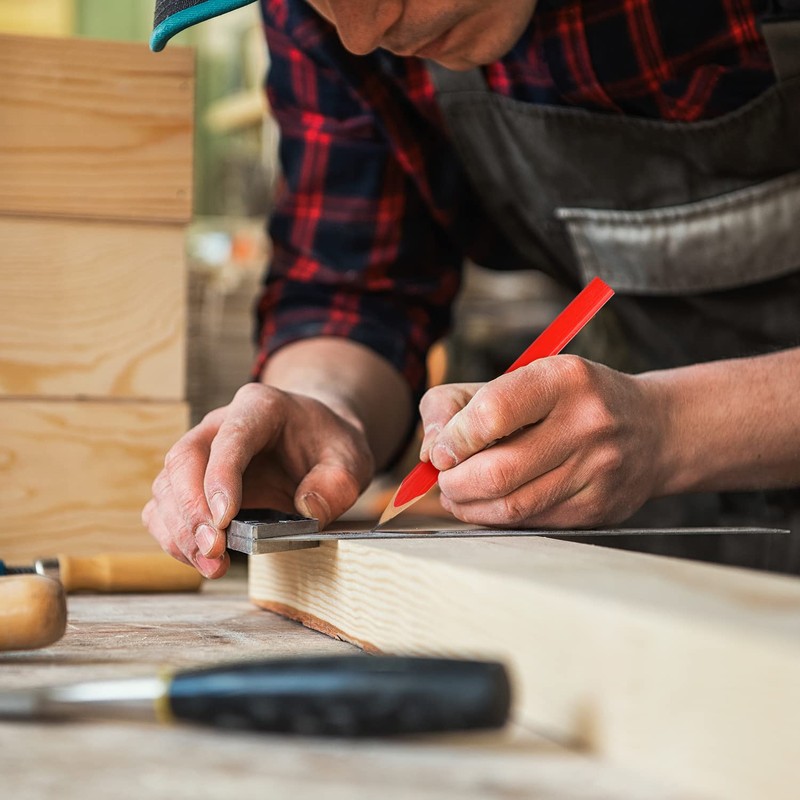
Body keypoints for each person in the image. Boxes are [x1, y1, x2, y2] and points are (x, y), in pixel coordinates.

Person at [145, 0, 800, 578]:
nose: (361, 34)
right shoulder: (333, 19)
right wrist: (321, 405)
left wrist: (673, 429)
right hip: (689, 547)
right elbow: (354, 287)